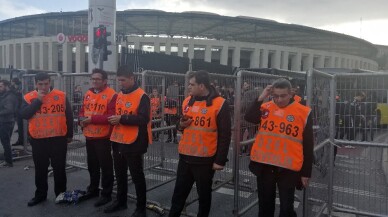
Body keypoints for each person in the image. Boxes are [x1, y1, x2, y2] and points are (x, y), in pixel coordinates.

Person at [244, 78, 314, 217]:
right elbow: (250, 117)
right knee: (265, 207)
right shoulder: (267, 107)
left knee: (286, 208)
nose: (279, 99)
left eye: (283, 96)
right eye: (275, 96)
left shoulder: (303, 112)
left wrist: (306, 172)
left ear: (291, 94)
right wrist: (261, 97)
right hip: (265, 165)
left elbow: (308, 144)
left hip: (288, 168)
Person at [169, 70, 231, 217]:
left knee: (203, 196)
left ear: (202, 86)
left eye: (192, 84)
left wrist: (220, 160)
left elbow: (225, 134)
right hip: (185, 156)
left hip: (205, 159)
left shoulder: (220, 104)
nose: (188, 87)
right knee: (178, 194)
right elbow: (178, 125)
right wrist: (181, 125)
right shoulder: (187, 101)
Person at [20, 72, 73, 206]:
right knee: (40, 169)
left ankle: (61, 194)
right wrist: (38, 100)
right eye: (40, 84)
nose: (43, 87)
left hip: (58, 138)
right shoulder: (28, 97)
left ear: (50, 82)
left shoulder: (61, 95)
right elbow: (24, 114)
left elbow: (69, 116)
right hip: (39, 139)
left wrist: (69, 135)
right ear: (36, 83)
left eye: (46, 83)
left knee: (59, 168)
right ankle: (40, 195)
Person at [105, 65, 151, 217]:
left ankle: (140, 208)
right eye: (119, 81)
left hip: (134, 142)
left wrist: (122, 119)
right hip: (118, 140)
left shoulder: (142, 96)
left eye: (123, 80)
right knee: (120, 174)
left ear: (132, 78)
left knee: (137, 176)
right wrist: (115, 119)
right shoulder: (120, 94)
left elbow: (144, 119)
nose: (120, 83)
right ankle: (121, 201)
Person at [78, 69, 117, 207]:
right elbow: (83, 110)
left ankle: (106, 194)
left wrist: (91, 119)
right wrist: (80, 119)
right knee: (92, 165)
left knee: (106, 167)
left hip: (103, 136)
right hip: (89, 135)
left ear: (105, 81)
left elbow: (111, 117)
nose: (94, 81)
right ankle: (93, 189)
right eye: (93, 79)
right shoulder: (88, 93)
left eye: (98, 79)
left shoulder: (112, 95)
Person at [0, 80, 18, 167]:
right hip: (7, 121)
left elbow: (9, 109)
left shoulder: (9, 97)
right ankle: (7, 159)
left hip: (6, 122)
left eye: (1, 86)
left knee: (5, 142)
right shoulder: (6, 95)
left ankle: (8, 161)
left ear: (6, 86)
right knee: (6, 141)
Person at [10, 78, 24, 146]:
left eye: (12, 82)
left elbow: (18, 94)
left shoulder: (19, 87)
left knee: (21, 125)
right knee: (20, 125)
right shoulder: (17, 87)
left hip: (20, 108)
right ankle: (22, 139)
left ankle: (22, 140)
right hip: (19, 108)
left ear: (14, 82)